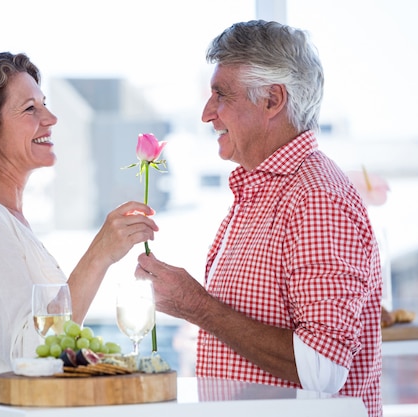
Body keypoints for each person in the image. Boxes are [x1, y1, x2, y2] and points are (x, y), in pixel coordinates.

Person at [135, 20, 382, 417]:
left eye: (220, 94)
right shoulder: (263, 191)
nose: (206, 114)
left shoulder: (315, 197)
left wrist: (196, 305)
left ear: (272, 100)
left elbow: (322, 370)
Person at [0, 52, 158, 400]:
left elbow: (51, 348)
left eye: (45, 104)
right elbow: (32, 353)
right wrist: (99, 255)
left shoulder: (6, 222)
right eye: (31, 109)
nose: (51, 118)